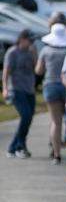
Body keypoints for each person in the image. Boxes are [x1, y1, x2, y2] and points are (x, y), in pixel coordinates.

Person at [38, 24, 66, 164]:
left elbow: (39, 70)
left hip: (51, 85)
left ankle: (56, 153)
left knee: (55, 121)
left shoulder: (46, 50)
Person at [3, 29, 38, 159]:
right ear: (22, 39)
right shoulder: (12, 52)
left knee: (28, 119)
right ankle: (20, 146)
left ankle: (14, 147)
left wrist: (34, 54)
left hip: (30, 89)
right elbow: (6, 71)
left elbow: (37, 69)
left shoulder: (30, 52)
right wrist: (5, 88)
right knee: (26, 116)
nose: (32, 43)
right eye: (30, 40)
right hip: (16, 89)